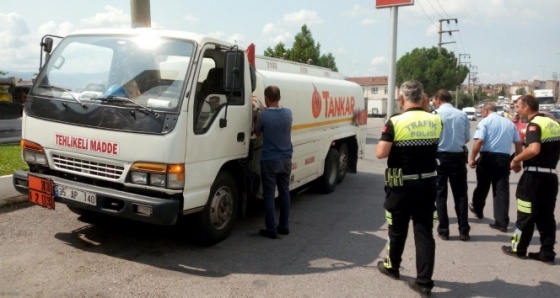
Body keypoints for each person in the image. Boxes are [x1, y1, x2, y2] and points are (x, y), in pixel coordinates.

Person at [376, 80, 442, 297]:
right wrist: (425, 107)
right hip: (428, 183)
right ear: (423, 98)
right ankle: (424, 282)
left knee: (397, 228)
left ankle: (392, 266)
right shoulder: (435, 119)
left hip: (401, 185)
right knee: (424, 233)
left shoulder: (395, 121)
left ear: (401, 99)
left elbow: (381, 153)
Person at [502, 95, 560, 264]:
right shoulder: (554, 124)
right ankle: (547, 252)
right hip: (550, 176)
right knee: (546, 216)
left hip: (533, 177)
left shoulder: (534, 125)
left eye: (518, 107)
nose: (516, 110)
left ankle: (518, 248)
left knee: (525, 213)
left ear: (527, 107)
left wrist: (516, 159)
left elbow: (534, 149)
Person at [468, 102, 522, 232]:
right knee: (501, 191)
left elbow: (479, 141)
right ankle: (502, 222)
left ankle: (478, 208)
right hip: (503, 159)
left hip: (487, 157)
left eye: (482, 111)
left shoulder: (485, 122)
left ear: (486, 110)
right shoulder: (509, 123)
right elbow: (518, 143)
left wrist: (472, 158)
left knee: (482, 186)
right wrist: (517, 160)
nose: (481, 113)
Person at [432, 89, 471, 241]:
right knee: (461, 194)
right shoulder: (462, 114)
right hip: (458, 158)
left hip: (440, 157)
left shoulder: (434, 116)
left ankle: (444, 230)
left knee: (440, 194)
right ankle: (464, 231)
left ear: (438, 99)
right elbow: (467, 138)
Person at [255, 86, 293, 239]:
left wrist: (256, 116)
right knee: (284, 193)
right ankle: (284, 226)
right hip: (286, 159)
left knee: (269, 195)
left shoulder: (264, 116)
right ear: (279, 97)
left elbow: (257, 132)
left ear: (266, 98)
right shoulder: (288, 113)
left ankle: (271, 229)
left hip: (270, 160)